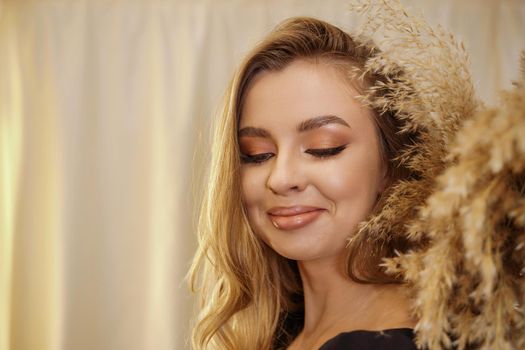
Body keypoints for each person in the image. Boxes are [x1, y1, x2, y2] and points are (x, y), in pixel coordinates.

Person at [189, 16, 428, 350]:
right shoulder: (280, 333)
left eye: (322, 148)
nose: (281, 178)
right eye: (256, 154)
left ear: (391, 165)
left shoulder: (394, 343)